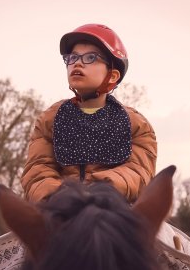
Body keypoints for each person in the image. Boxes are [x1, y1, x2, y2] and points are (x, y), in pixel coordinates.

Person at [21, 24, 157, 203]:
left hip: (113, 209)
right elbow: (37, 169)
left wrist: (99, 190)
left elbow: (138, 172)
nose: (77, 62)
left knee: (159, 231)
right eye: (72, 57)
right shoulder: (49, 120)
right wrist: (61, 195)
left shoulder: (137, 125)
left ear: (113, 76)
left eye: (91, 57)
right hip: (59, 208)